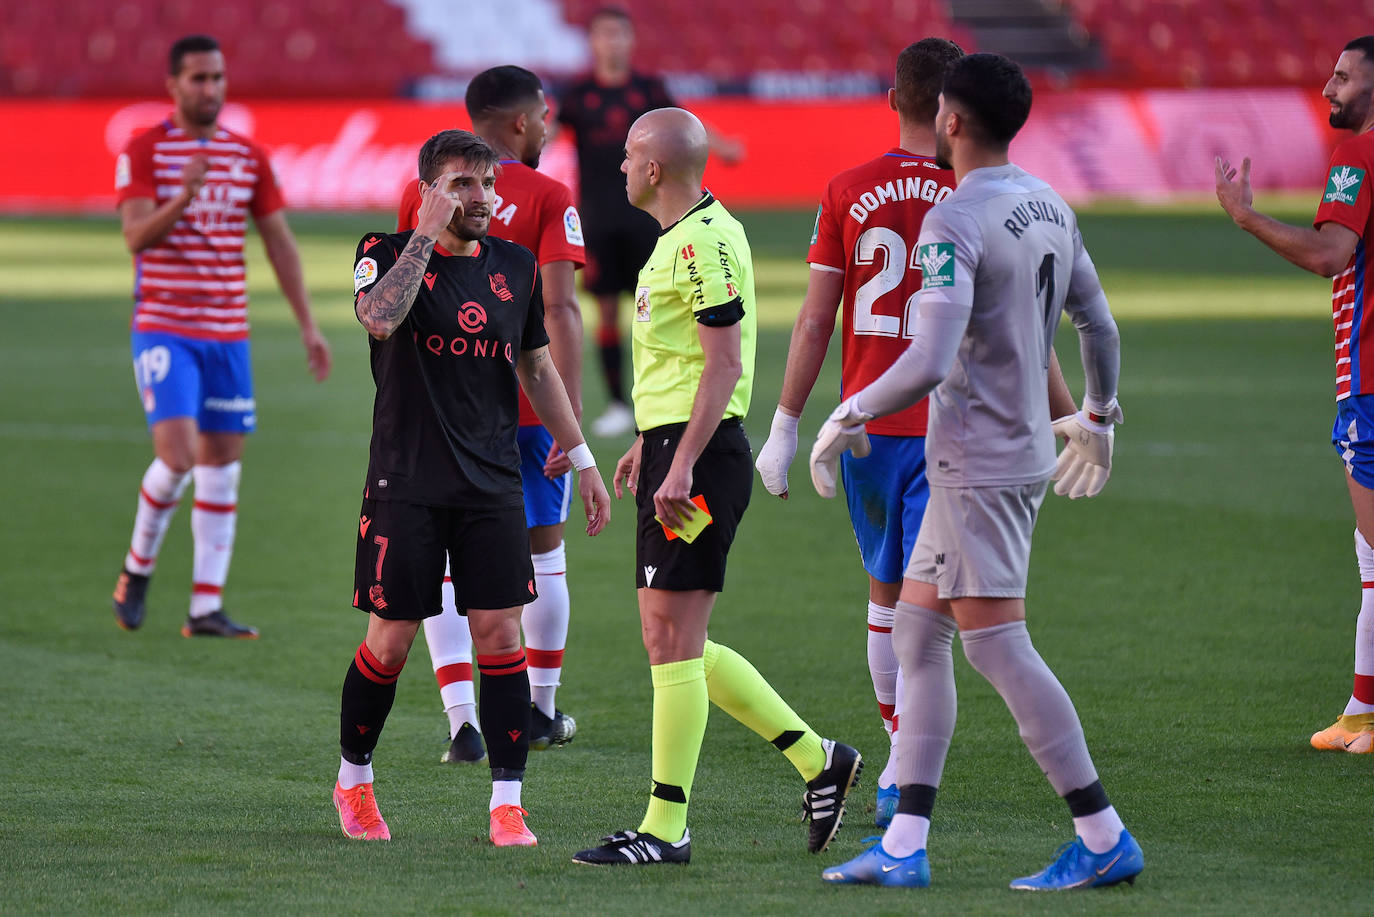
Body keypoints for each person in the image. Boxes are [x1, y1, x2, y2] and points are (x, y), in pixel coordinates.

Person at [812, 53, 1143, 890]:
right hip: (1006, 453)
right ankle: (904, 843)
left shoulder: (954, 218)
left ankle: (1102, 833)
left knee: (999, 647)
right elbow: (1099, 325)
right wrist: (1097, 415)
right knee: (918, 635)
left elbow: (928, 359)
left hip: (975, 461)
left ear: (951, 121)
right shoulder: (1049, 202)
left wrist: (848, 412)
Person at [571, 108, 859, 867]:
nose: (619, 167)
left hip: (697, 463)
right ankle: (818, 759)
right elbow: (686, 363)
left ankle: (666, 827)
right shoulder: (683, 235)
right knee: (672, 637)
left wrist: (680, 462)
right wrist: (649, 441)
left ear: (654, 169)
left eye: (628, 156)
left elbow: (725, 364)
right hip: (677, 450)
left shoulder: (701, 240)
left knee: (672, 637)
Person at [332, 130, 610, 847]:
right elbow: (379, 319)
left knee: (500, 634)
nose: (482, 197)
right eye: (462, 184)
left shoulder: (516, 266)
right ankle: (354, 781)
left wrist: (582, 457)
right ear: (428, 192)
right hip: (406, 482)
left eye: (487, 184)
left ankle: (507, 803)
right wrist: (424, 236)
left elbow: (536, 367)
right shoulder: (383, 253)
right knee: (390, 642)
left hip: (493, 483)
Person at [754, 37, 965, 829]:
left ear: (893, 99)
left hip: (867, 429)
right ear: (955, 109)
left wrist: (784, 424)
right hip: (955, 426)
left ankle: (898, 757)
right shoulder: (975, 188)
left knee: (883, 595)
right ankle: (909, 771)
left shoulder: (848, 188)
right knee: (935, 614)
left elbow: (817, 318)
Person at [111, 34, 331, 638]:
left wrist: (308, 325)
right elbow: (135, 237)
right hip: (165, 326)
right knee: (178, 457)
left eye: (217, 78)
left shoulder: (246, 155)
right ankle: (137, 568)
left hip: (228, 332)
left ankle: (205, 607)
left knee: (223, 464)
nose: (210, 89)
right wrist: (184, 195)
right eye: (198, 78)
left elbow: (278, 241)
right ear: (173, 85)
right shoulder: (144, 149)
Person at [397, 65, 586, 765]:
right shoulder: (547, 194)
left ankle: (462, 723)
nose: (547, 130)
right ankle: (540, 709)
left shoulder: (421, 193)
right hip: (526, 411)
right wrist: (570, 410)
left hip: (443, 411)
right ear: (519, 121)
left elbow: (408, 291)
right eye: (544, 119)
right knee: (544, 553)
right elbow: (559, 307)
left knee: (447, 565)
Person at [1216, 35, 1374, 754]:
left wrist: (1246, 217)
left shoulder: (1359, 155)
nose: (1328, 88)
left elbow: (1330, 254)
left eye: (1343, 77)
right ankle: (1362, 711)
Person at [556, 6, 743, 438]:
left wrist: (722, 146)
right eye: (604, 35)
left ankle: (666, 399)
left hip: (651, 217)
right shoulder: (578, 94)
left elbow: (685, 124)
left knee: (659, 308)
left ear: (631, 40)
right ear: (593, 42)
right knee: (606, 311)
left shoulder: (648, 89)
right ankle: (618, 405)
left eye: (619, 34)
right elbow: (546, 135)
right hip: (598, 218)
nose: (612, 43)